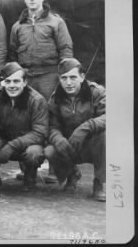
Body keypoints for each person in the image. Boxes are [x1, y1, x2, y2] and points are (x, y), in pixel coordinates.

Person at [9, 0, 73, 183]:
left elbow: (66, 51)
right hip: (26, 77)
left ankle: (54, 169)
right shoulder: (18, 26)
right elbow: (12, 54)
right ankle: (28, 168)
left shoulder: (56, 22)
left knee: (52, 119)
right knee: (24, 119)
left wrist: (63, 77)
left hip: (49, 76)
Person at [0, 62, 48, 193]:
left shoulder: (37, 100)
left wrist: (12, 146)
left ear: (25, 82)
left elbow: (40, 133)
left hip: (28, 144)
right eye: (8, 81)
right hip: (2, 140)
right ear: (2, 82)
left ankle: (30, 177)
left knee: (34, 153)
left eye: (16, 81)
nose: (12, 86)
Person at [44, 58, 106, 201]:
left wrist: (86, 127)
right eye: (64, 78)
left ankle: (100, 183)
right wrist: (58, 139)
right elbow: (52, 126)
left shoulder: (96, 92)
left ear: (82, 77)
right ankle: (71, 174)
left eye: (73, 77)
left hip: (92, 144)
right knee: (49, 150)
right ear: (59, 79)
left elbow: (111, 116)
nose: (69, 83)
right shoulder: (56, 98)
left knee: (105, 136)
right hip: (70, 144)